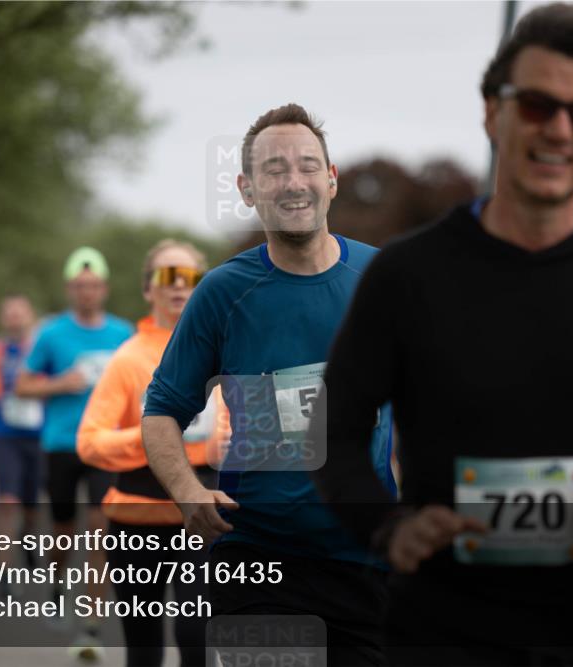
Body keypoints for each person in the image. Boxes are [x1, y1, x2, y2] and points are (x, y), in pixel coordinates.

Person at [312, 4, 573, 665]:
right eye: (537, 104)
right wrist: (388, 528)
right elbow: (333, 431)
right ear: (492, 112)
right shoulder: (407, 273)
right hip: (437, 635)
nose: (560, 130)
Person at [142, 104, 396, 666]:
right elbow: (161, 408)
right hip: (257, 563)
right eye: (275, 169)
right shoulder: (223, 293)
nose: (293, 181)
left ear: (331, 180)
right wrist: (187, 491)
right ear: (248, 188)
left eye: (308, 165)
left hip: (370, 568)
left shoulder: (384, 283)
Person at [78, 239, 227, 667]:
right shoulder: (127, 361)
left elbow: (238, 429)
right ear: (148, 289)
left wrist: (231, 444)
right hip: (135, 520)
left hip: (201, 516)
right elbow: (90, 442)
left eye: (190, 277)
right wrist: (152, 437)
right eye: (167, 276)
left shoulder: (222, 353)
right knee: (144, 647)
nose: (178, 286)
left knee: (194, 633)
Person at [17, 246, 133, 660]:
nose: (87, 292)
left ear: (104, 288)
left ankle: (90, 626)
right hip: (62, 444)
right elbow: (22, 386)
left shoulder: (123, 333)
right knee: (64, 532)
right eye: (80, 286)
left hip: (106, 446)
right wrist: (60, 384)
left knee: (101, 529)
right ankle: (56, 582)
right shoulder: (51, 334)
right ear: (70, 288)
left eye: (94, 285)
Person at [0, 295, 44, 593]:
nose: (15, 318)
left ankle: (28, 536)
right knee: (7, 501)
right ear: (2, 319)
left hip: (38, 435)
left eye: (21, 313)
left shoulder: (43, 348)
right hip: (3, 433)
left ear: (30, 316)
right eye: (10, 314)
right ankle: (4, 574)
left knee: (31, 505)